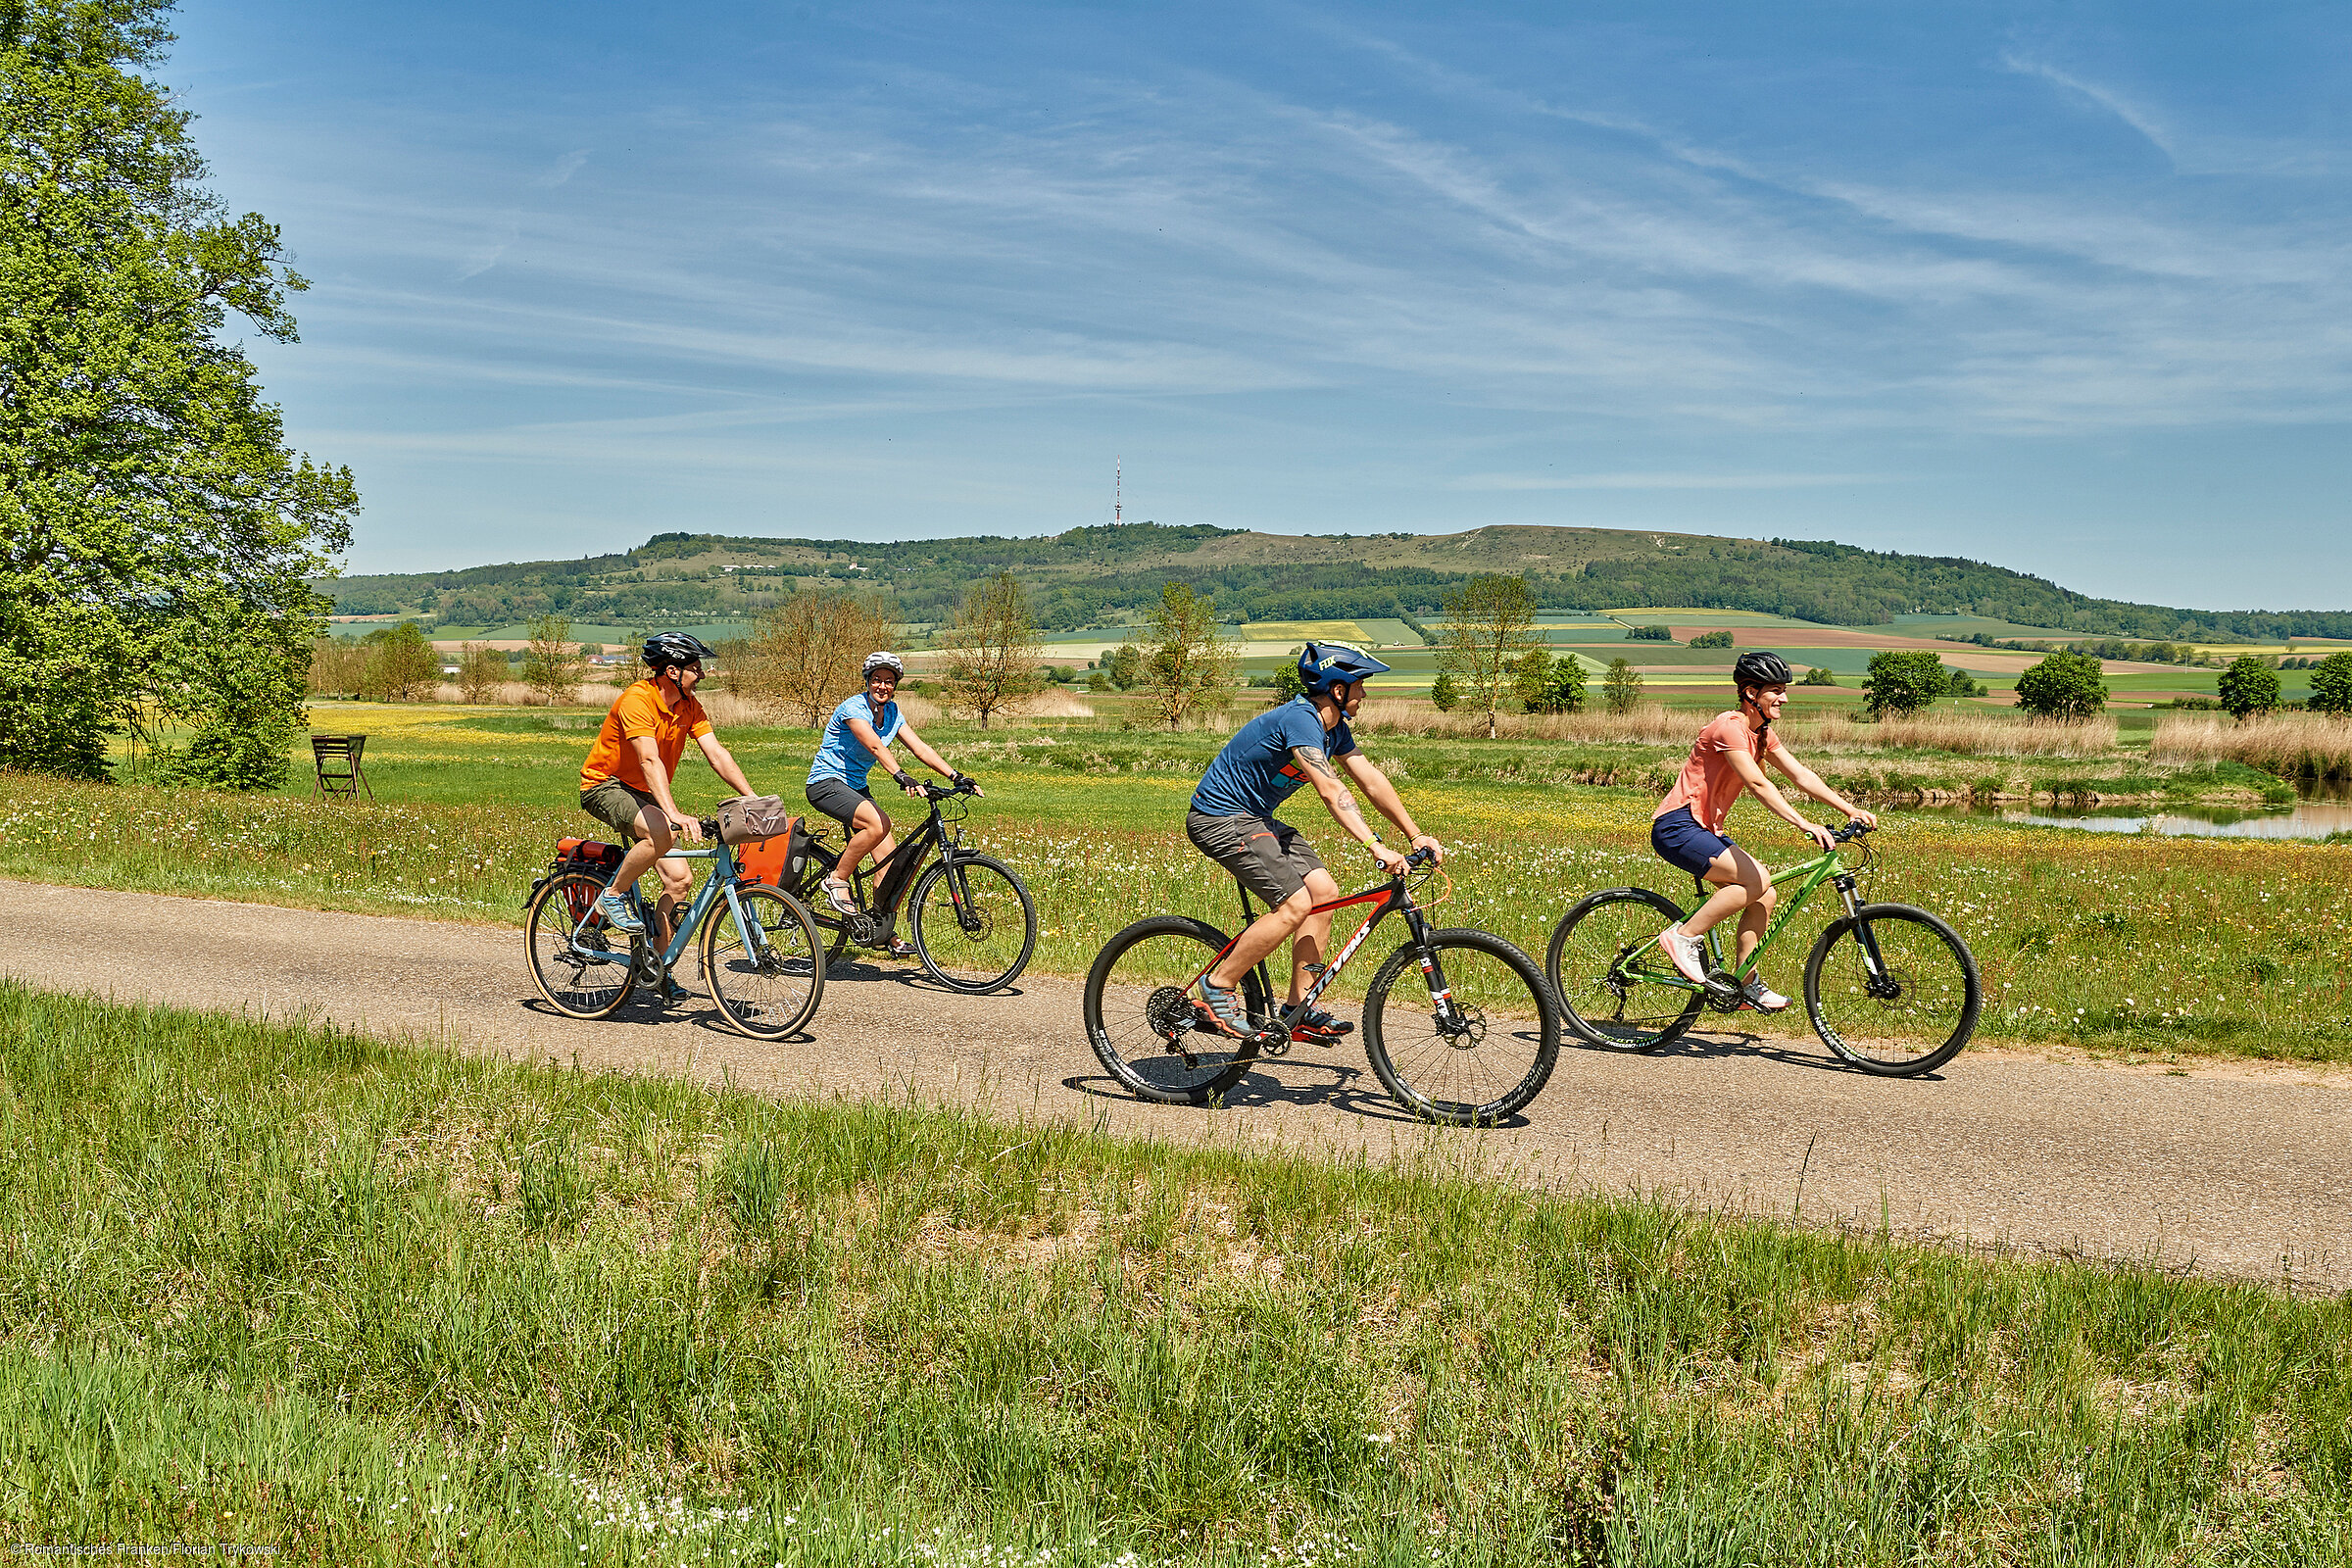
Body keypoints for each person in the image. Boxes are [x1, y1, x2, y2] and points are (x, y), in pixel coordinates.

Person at [1186, 642, 1444, 1040]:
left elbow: (1369, 779)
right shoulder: (1301, 720)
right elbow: (1329, 788)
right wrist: (1375, 844)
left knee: (1323, 891)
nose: (1364, 693)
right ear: (1337, 689)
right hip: (1220, 818)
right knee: (1294, 904)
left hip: (1256, 818)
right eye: (1360, 684)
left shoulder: (1334, 729)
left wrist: (1415, 833)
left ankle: (1298, 1007)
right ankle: (1216, 989)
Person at [1650, 650, 1877, 1010]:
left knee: (1763, 894)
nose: (1784, 698)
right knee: (1758, 880)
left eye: (1784, 690)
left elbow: (1802, 776)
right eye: (1776, 691)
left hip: (1705, 828)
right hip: (1678, 825)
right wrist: (1804, 823)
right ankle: (1682, 936)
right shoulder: (1729, 726)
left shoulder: (1762, 735)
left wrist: (1849, 809)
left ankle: (1743, 982)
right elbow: (1756, 783)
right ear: (1751, 693)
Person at [578, 633, 763, 974]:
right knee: (661, 834)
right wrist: (673, 812)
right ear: (672, 671)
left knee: (679, 881)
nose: (703, 675)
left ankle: (657, 969)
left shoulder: (689, 706)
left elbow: (717, 754)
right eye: (696, 668)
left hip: (644, 792)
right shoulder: (638, 700)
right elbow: (649, 760)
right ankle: (612, 896)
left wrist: (750, 797)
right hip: (605, 785)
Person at [805, 651, 978, 957]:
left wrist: (956, 776)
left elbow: (921, 747)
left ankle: (880, 931)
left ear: (895, 684)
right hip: (826, 783)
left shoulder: (893, 712)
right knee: (877, 823)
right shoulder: (854, 708)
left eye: (888, 681)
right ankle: (836, 879)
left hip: (855, 787)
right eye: (877, 680)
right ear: (868, 681)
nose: (882, 686)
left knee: (890, 861)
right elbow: (872, 743)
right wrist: (901, 776)